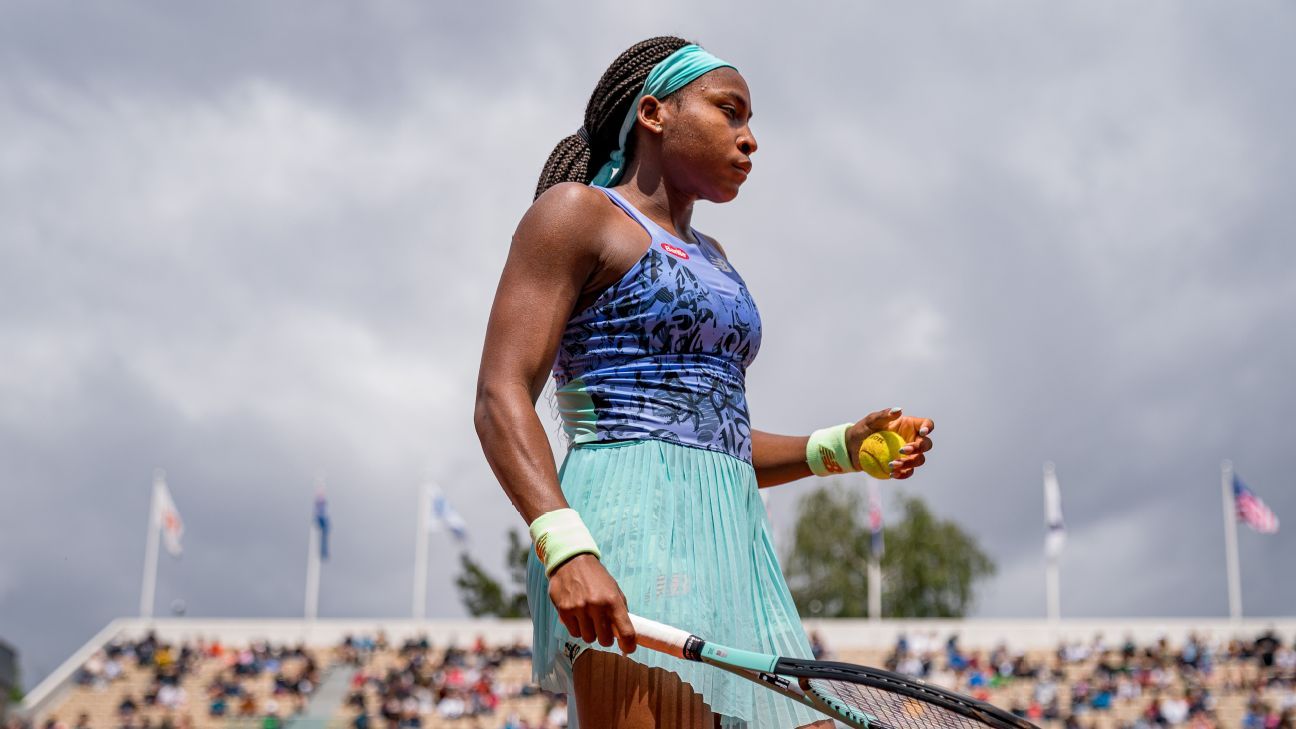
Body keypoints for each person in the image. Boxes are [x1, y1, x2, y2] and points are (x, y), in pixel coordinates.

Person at [475, 36, 935, 728]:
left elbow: (710, 433)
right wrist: (565, 546)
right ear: (656, 113)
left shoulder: (716, 257)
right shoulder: (576, 214)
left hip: (736, 546)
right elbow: (499, 393)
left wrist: (840, 444)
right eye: (731, 112)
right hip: (626, 529)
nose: (750, 140)